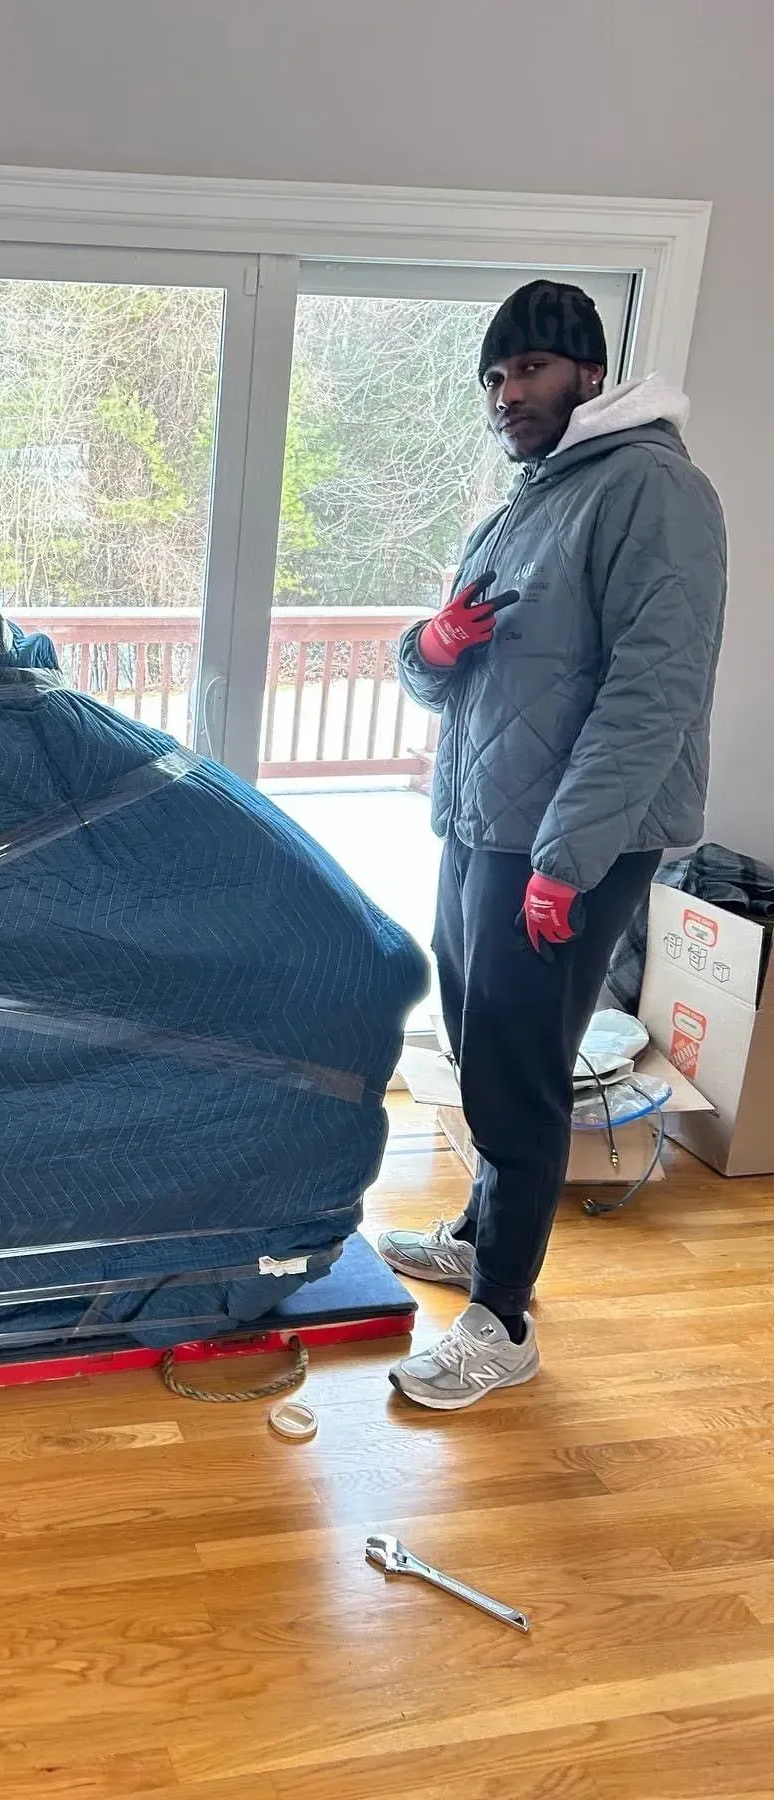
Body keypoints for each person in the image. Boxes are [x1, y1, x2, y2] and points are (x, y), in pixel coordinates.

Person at [380, 280, 727, 1410]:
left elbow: (654, 693)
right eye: (492, 376)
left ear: (589, 371)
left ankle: (505, 1318)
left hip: (568, 842)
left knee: (522, 1072)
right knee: (481, 1043)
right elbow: (455, 675)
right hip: (488, 823)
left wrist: (566, 858)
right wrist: (431, 645)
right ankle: (483, 1233)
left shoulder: (654, 492)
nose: (505, 393)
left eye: (526, 368)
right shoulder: (527, 501)